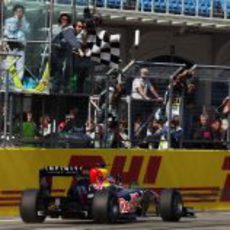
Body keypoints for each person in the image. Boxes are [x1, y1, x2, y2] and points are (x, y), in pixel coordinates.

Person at [51, 13, 81, 93]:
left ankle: (64, 86)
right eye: (63, 19)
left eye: (66, 19)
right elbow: (52, 38)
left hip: (65, 52)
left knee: (66, 69)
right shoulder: (55, 28)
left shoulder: (69, 29)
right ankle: (55, 86)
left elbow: (71, 41)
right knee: (57, 69)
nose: (64, 21)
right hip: (56, 52)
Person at [3, 4, 30, 80]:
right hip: (11, 44)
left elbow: (27, 31)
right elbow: (11, 29)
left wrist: (23, 21)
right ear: (14, 12)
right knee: (9, 63)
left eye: (21, 11)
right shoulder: (9, 20)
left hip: (21, 45)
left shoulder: (25, 22)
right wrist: (17, 19)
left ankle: (18, 83)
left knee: (20, 64)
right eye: (18, 11)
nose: (20, 13)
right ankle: (6, 81)